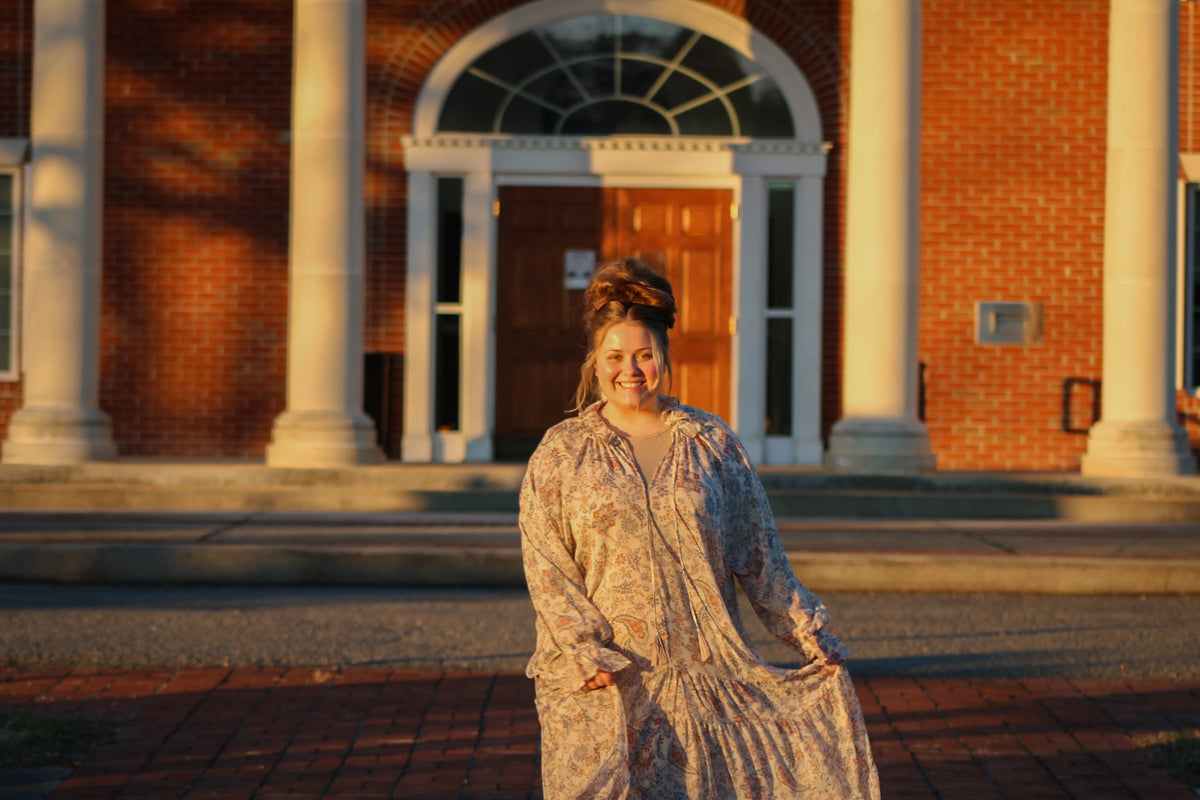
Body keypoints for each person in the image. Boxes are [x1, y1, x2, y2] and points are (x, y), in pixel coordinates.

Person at [519, 258, 880, 800]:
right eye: (615, 356)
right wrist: (581, 649)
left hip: (709, 678)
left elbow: (759, 553)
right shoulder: (563, 451)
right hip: (610, 681)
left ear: (663, 355)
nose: (630, 370)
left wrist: (806, 632)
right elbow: (547, 565)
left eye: (644, 354)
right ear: (594, 364)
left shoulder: (712, 442)